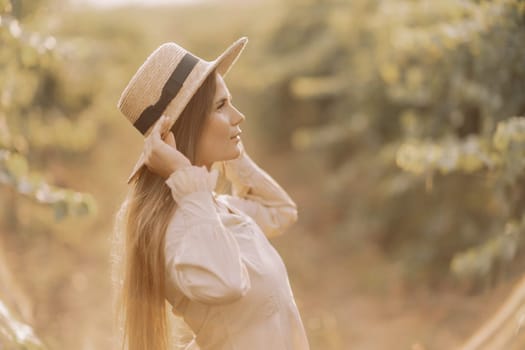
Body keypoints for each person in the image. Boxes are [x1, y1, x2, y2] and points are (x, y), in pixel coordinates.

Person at [112, 36, 310, 350]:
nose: (238, 116)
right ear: (183, 128)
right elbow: (227, 283)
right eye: (221, 105)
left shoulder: (215, 208)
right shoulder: (180, 227)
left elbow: (282, 211)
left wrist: (234, 155)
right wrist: (182, 175)